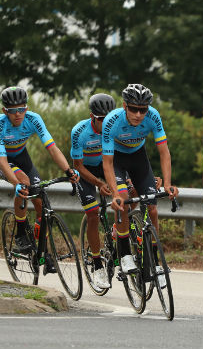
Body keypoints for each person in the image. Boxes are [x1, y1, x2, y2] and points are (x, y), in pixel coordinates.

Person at [102, 83, 178, 283]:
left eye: (142, 110)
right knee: (124, 199)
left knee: (152, 207)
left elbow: (164, 152)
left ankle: (154, 261)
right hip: (116, 158)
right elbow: (107, 163)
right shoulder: (112, 121)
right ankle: (125, 253)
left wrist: (168, 183)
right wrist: (114, 194)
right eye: (133, 109)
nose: (138, 114)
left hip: (138, 157)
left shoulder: (153, 116)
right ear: (124, 106)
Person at [0, 86, 79, 273]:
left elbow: (52, 148)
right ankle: (20, 232)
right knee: (23, 181)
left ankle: (41, 251)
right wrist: (17, 184)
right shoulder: (1, 125)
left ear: (27, 108)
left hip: (22, 157)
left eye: (22, 109)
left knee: (41, 202)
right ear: (5, 111)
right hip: (3, 161)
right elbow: (2, 162)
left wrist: (68, 170)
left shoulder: (33, 119)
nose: (18, 114)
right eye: (13, 111)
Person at [70, 93, 116, 288]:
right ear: (92, 118)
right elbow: (78, 166)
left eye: (109, 119)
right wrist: (99, 184)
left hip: (107, 166)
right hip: (86, 171)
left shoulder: (116, 128)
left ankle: (116, 231)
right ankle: (97, 266)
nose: (106, 123)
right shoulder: (79, 132)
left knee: (132, 192)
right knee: (93, 214)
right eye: (101, 120)